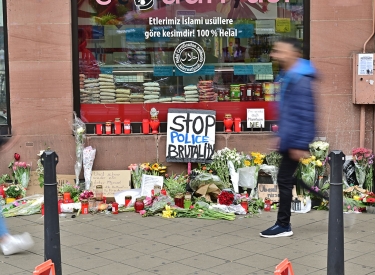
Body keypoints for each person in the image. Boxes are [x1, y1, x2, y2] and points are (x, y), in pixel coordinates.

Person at [260, 37, 317, 238]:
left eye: (280, 51)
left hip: (295, 140)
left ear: (294, 54)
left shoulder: (300, 79)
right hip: (289, 137)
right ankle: (284, 223)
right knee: (287, 178)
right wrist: (281, 134)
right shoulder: (290, 75)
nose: (275, 55)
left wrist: (300, 143)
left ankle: (283, 225)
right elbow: (288, 110)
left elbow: (306, 112)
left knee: (285, 179)